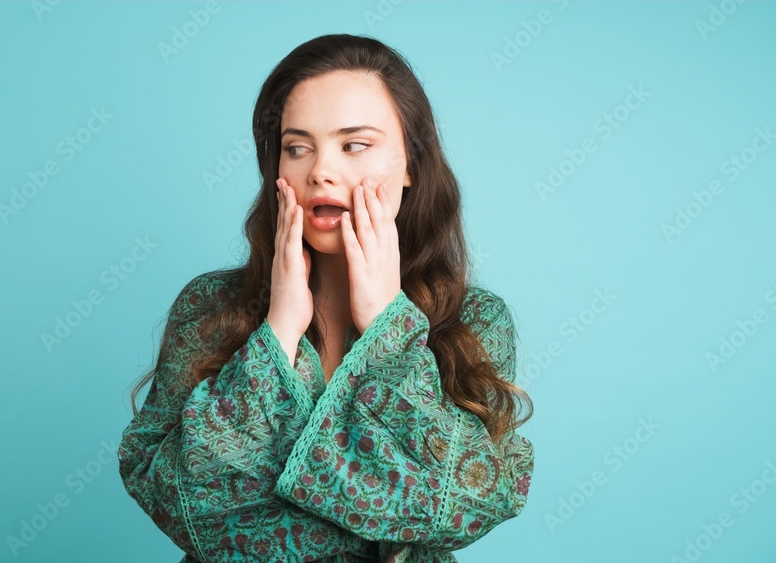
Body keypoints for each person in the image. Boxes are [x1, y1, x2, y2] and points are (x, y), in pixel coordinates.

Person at [118, 33, 534, 563]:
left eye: (354, 144)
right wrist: (279, 331)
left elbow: (468, 499)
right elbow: (175, 499)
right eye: (297, 147)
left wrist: (388, 326)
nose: (320, 170)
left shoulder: (474, 320)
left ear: (410, 164)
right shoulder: (209, 306)